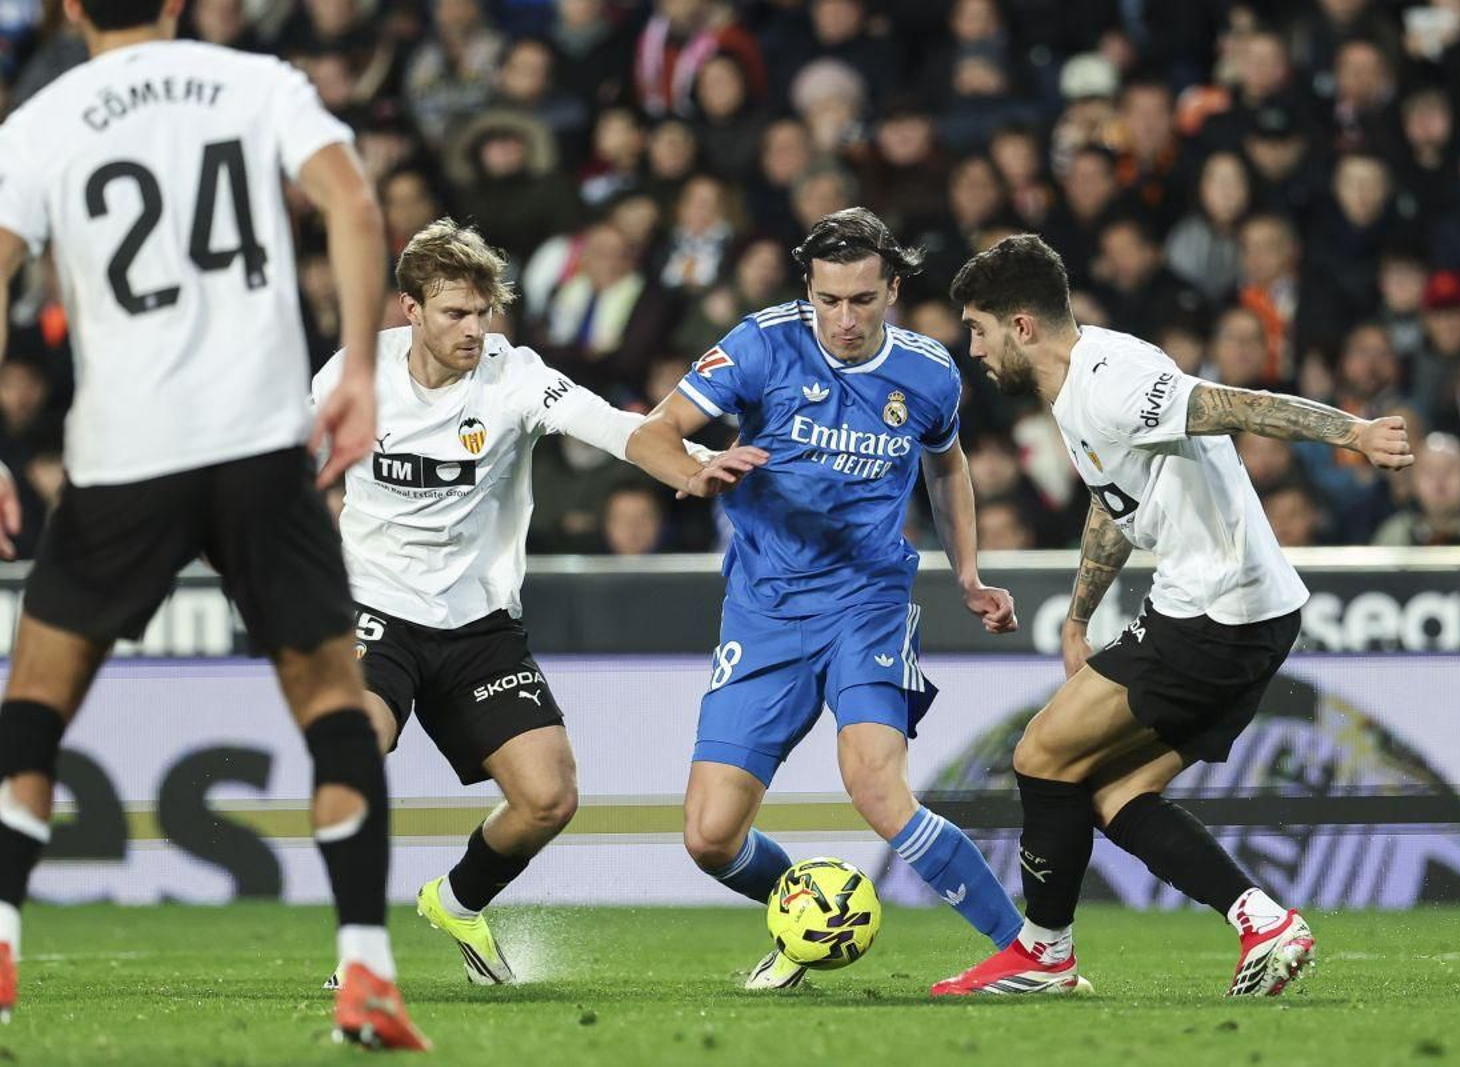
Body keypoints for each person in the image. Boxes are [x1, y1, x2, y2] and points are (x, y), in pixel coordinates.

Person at [0, 0, 426, 1048]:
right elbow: (355, 207)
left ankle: (1, 932)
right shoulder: (256, 84)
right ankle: (366, 966)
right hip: (256, 446)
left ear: (66, 9)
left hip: (120, 455)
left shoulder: (41, 120)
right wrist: (363, 371)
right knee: (333, 699)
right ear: (180, 2)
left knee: (35, 701)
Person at [935, 234, 1413, 997]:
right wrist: (1077, 616)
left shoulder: (1111, 380)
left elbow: (1236, 406)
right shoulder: (1081, 383)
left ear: (1022, 326)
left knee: (1039, 754)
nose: (975, 349)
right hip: (1254, 614)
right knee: (1114, 793)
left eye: (979, 330)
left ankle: (1044, 953)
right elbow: (1115, 499)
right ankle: (1264, 921)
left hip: (1212, 614)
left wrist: (1350, 433)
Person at [314, 219, 758, 988]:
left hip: (478, 620)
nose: (474, 329)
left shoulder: (514, 375)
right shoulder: (353, 372)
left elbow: (622, 430)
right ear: (410, 309)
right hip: (374, 607)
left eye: (484, 312)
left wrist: (691, 465)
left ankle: (454, 899)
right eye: (455, 312)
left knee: (549, 798)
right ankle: (360, 955)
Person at [627, 208, 1023, 990]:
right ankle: (807, 912)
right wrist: (691, 470)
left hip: (866, 601)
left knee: (877, 784)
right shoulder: (759, 344)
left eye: (863, 301)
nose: (844, 319)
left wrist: (968, 574)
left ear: (893, 290)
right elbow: (652, 432)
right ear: (808, 289)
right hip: (764, 608)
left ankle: (1032, 948)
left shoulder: (930, 372)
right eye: (829, 300)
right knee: (709, 837)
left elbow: (946, 467)